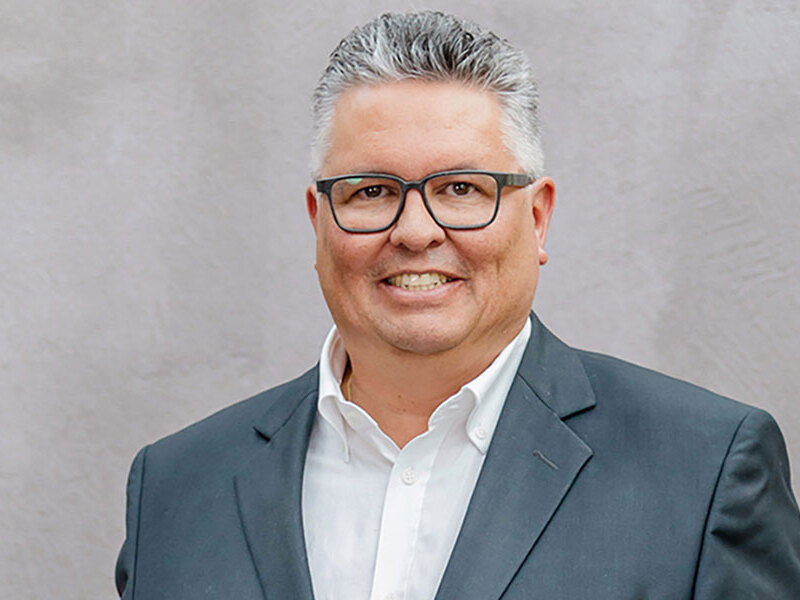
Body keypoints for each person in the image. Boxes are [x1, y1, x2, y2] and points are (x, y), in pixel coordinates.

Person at [115, 11, 800, 599]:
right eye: (371, 191)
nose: (416, 232)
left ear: (537, 219)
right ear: (318, 223)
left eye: (462, 189)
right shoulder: (175, 488)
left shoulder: (704, 471)